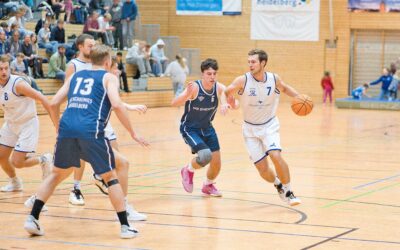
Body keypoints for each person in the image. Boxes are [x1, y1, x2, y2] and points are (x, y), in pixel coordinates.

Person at [23, 44, 148, 239]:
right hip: (91, 130)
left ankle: (32, 218)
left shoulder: (75, 76)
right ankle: (125, 226)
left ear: (91, 59)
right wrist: (133, 132)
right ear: (107, 62)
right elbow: (116, 104)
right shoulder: (109, 77)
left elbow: (54, 102)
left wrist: (58, 126)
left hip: (67, 128)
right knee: (110, 176)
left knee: (55, 175)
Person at [62, 34, 147, 221]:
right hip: (85, 119)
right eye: (89, 45)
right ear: (80, 46)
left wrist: (129, 106)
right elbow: (69, 96)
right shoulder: (75, 67)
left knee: (117, 164)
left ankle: (109, 189)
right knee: (76, 162)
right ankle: (77, 188)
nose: (92, 47)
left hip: (101, 119)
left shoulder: (102, 70)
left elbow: (112, 100)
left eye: (94, 45)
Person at [224, 49, 301, 206]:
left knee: (275, 155)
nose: (250, 65)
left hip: (269, 125)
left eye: (253, 62)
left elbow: (285, 88)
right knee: (263, 169)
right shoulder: (242, 80)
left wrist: (300, 97)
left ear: (263, 63)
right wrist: (229, 103)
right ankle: (277, 184)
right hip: (250, 130)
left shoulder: (274, 79)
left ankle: (289, 191)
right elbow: (226, 91)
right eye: (249, 62)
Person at [172, 58, 230, 197]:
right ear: (202, 74)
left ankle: (208, 186)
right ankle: (188, 170)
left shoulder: (219, 87)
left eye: (214, 74)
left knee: (216, 163)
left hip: (207, 128)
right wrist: (186, 95)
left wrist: (224, 104)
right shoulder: (195, 88)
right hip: (190, 128)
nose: (212, 77)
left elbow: (224, 96)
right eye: (209, 74)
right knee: (205, 156)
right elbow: (174, 102)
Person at [0, 55, 54, 193]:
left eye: (6, 68)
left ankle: (43, 159)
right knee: (1, 157)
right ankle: (15, 183)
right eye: (0, 69)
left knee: (17, 162)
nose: (4, 72)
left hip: (27, 124)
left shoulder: (18, 84)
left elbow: (42, 98)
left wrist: (56, 123)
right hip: (11, 123)